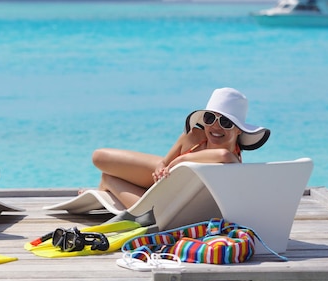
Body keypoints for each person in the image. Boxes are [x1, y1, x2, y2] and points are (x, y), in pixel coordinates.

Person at [90, 87, 270, 208]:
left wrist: (182, 159)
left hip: (171, 207)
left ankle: (107, 183)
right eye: (209, 119)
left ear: (239, 130)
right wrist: (162, 168)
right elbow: (164, 163)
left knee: (115, 182)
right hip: (163, 182)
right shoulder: (194, 136)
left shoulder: (232, 159)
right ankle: (105, 186)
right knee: (99, 157)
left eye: (225, 122)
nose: (215, 127)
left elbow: (223, 155)